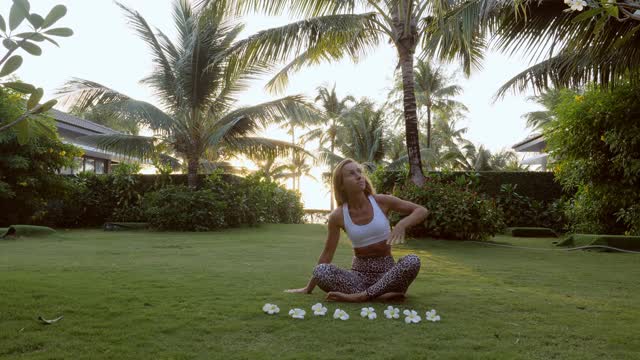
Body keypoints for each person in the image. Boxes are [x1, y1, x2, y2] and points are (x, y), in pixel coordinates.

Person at [286, 158, 429, 302]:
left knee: (412, 261)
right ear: (341, 185)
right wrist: (308, 288)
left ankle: (362, 296)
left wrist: (401, 224)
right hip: (358, 277)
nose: (359, 176)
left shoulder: (382, 201)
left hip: (387, 274)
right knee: (321, 271)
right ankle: (380, 294)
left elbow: (421, 210)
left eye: (359, 171)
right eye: (351, 173)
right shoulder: (338, 216)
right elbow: (327, 254)